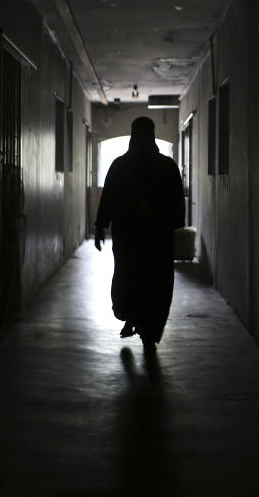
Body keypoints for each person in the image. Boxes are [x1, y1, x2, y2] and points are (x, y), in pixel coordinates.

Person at [95, 116, 185, 350]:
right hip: (158, 240)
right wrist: (174, 223)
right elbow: (177, 203)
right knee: (156, 283)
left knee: (128, 277)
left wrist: (100, 226)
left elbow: (108, 199)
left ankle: (132, 317)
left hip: (128, 238)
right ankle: (148, 327)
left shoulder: (120, 165)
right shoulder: (167, 166)